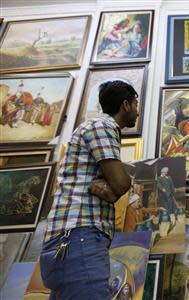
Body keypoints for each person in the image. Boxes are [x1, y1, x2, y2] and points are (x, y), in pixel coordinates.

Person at [40, 80, 140, 299]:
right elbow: (121, 183)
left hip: (70, 239)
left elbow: (114, 187)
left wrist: (111, 189)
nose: (137, 112)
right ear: (125, 104)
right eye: (136, 104)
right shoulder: (103, 126)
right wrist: (118, 187)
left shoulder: (94, 127)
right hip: (80, 236)